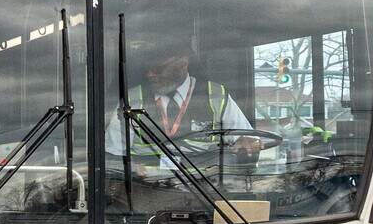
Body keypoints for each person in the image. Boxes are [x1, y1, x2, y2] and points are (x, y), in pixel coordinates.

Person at [105, 40, 259, 164]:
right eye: (147, 68)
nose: (149, 74)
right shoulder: (131, 101)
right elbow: (114, 156)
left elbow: (248, 139)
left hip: (207, 192)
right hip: (146, 191)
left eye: (158, 68)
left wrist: (247, 142)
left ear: (182, 65)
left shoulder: (217, 97)